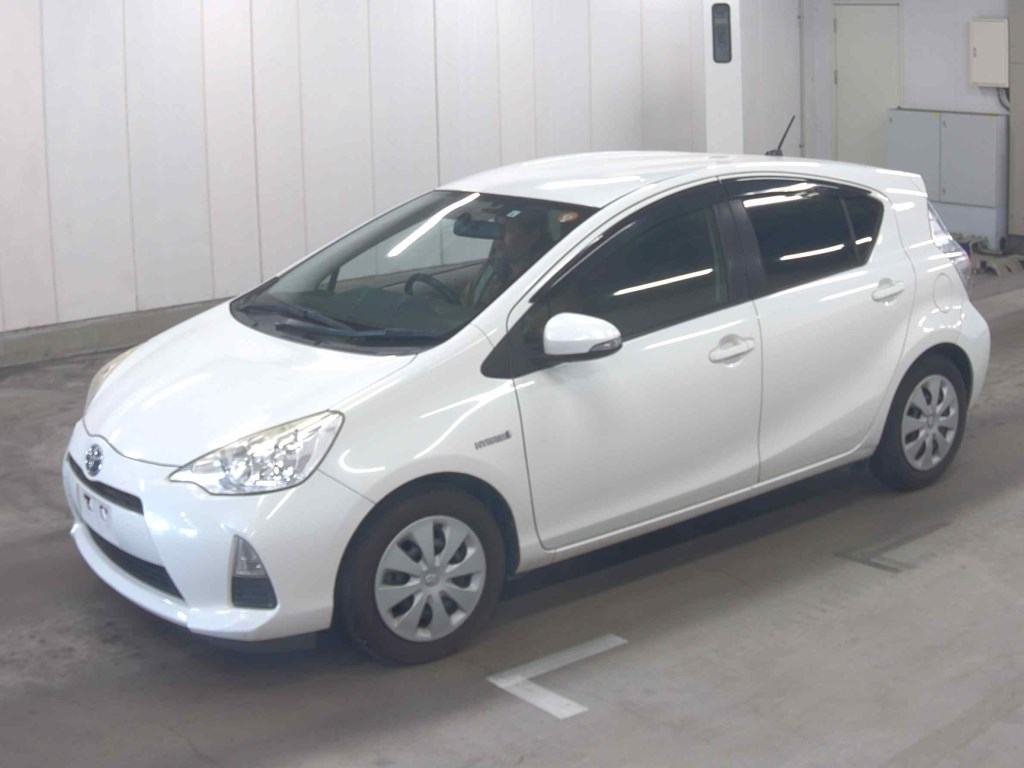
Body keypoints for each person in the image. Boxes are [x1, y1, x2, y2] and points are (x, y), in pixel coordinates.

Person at [463, 207, 552, 307]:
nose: (498, 238)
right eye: (497, 230)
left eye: (507, 230)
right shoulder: (491, 269)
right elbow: (466, 302)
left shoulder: (549, 280)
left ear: (533, 236)